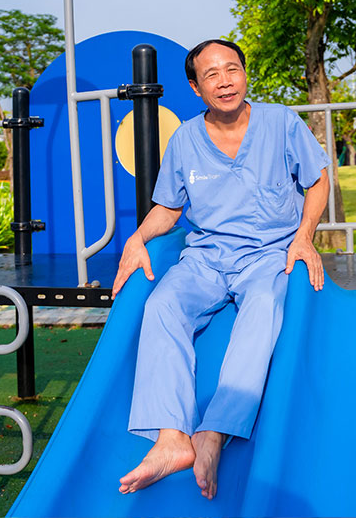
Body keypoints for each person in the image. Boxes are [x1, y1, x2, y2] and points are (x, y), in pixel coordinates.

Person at [111, 39, 330, 501]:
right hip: (207, 258)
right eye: (211, 74)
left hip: (267, 254)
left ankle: (214, 432)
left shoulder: (281, 123)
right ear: (195, 87)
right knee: (163, 305)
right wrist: (136, 238)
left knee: (265, 305)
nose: (224, 80)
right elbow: (168, 209)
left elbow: (316, 180)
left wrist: (305, 235)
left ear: (246, 74)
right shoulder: (186, 139)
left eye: (232, 69)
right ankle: (172, 438)